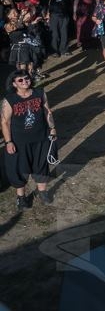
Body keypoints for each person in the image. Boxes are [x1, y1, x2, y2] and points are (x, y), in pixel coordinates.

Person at [2, 72, 58, 210]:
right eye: (20, 80)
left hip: (40, 137)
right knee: (20, 169)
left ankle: (42, 192)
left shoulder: (40, 93)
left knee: (41, 165)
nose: (24, 81)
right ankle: (21, 198)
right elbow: (4, 122)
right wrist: (8, 142)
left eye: (26, 78)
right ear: (14, 84)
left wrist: (52, 128)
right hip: (19, 142)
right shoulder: (10, 99)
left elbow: (47, 111)